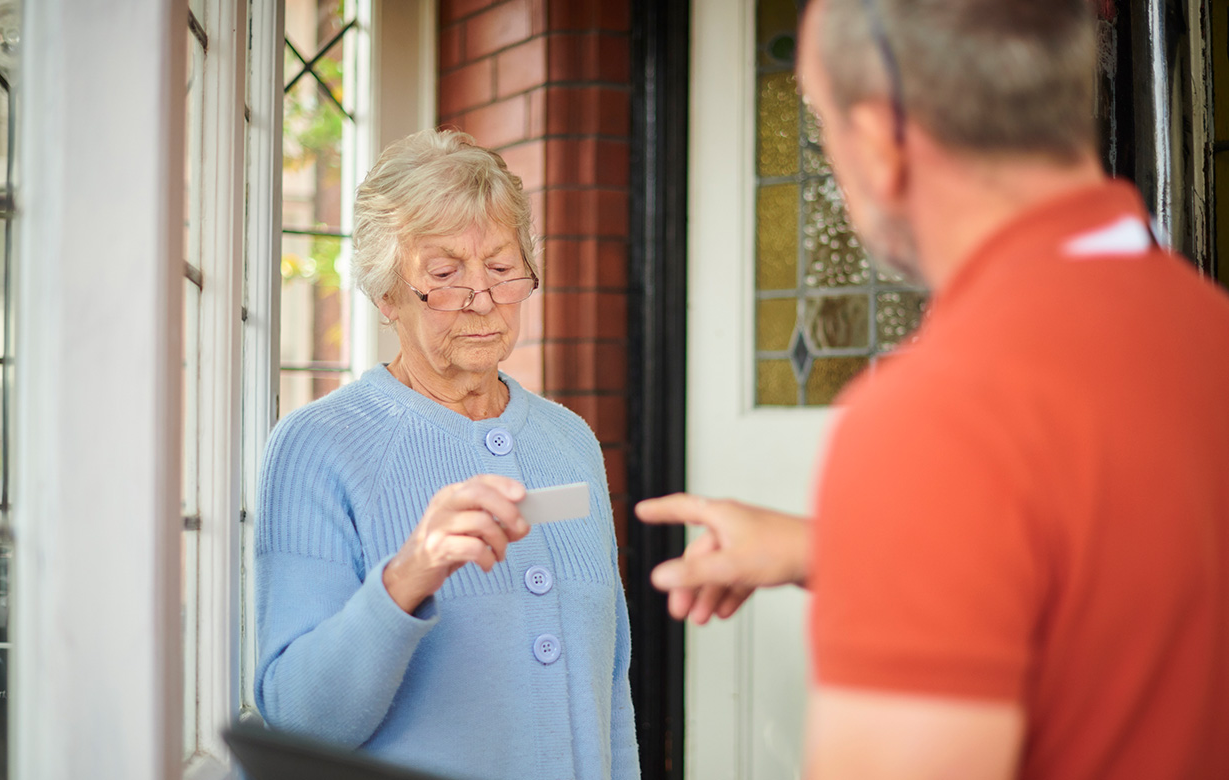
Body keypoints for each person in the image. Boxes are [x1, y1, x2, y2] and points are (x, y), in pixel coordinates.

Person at [637, 0, 1229, 777]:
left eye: (823, 129)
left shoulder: (940, 417)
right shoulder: (1204, 326)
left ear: (882, 142)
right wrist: (841, 548)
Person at [255, 128, 639, 780]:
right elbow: (294, 717)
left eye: (500, 267)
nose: (483, 299)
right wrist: (409, 575)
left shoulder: (569, 439)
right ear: (385, 295)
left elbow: (610, 691)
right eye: (445, 274)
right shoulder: (318, 445)